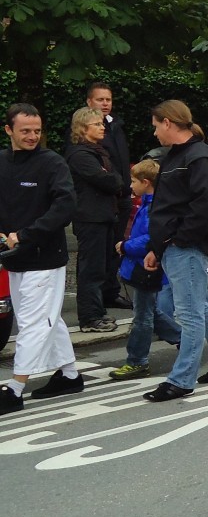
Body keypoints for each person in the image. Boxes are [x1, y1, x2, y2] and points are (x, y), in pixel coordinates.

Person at [142, 100, 208, 401]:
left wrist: (178, 240)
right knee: (197, 305)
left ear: (168, 122)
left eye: (156, 125)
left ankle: (182, 380)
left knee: (189, 313)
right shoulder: (180, 156)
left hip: (187, 246)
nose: (155, 132)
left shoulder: (199, 157)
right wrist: (158, 247)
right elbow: (170, 206)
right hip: (176, 246)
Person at [0, 103, 84, 416]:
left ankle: (15, 389)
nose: (32, 136)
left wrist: (25, 235)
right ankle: (70, 376)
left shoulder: (52, 163)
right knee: (49, 319)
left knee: (33, 324)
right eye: (25, 131)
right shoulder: (2, 162)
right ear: (8, 130)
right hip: (14, 259)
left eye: (37, 131)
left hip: (45, 259)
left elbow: (65, 206)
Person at [110, 160, 182, 380]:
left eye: (133, 181)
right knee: (149, 310)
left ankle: (137, 361)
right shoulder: (150, 203)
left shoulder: (152, 207)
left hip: (145, 267)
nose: (130, 185)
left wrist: (125, 246)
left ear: (146, 182)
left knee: (142, 317)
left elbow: (151, 238)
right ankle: (185, 339)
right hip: (141, 266)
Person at [64, 106, 123, 333]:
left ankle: (96, 312)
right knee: (91, 270)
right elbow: (108, 180)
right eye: (97, 124)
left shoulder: (97, 152)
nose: (102, 128)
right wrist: (113, 179)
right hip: (90, 219)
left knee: (100, 268)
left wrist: (113, 179)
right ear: (83, 128)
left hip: (103, 216)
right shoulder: (80, 155)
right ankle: (89, 318)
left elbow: (114, 177)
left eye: (102, 123)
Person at [76, 82, 133, 310]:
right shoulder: (83, 142)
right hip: (98, 205)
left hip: (120, 198)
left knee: (114, 249)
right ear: (89, 102)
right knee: (94, 259)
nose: (105, 103)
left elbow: (118, 164)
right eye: (100, 99)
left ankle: (110, 292)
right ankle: (93, 306)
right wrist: (114, 181)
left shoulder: (115, 125)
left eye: (108, 99)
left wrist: (123, 185)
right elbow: (104, 174)